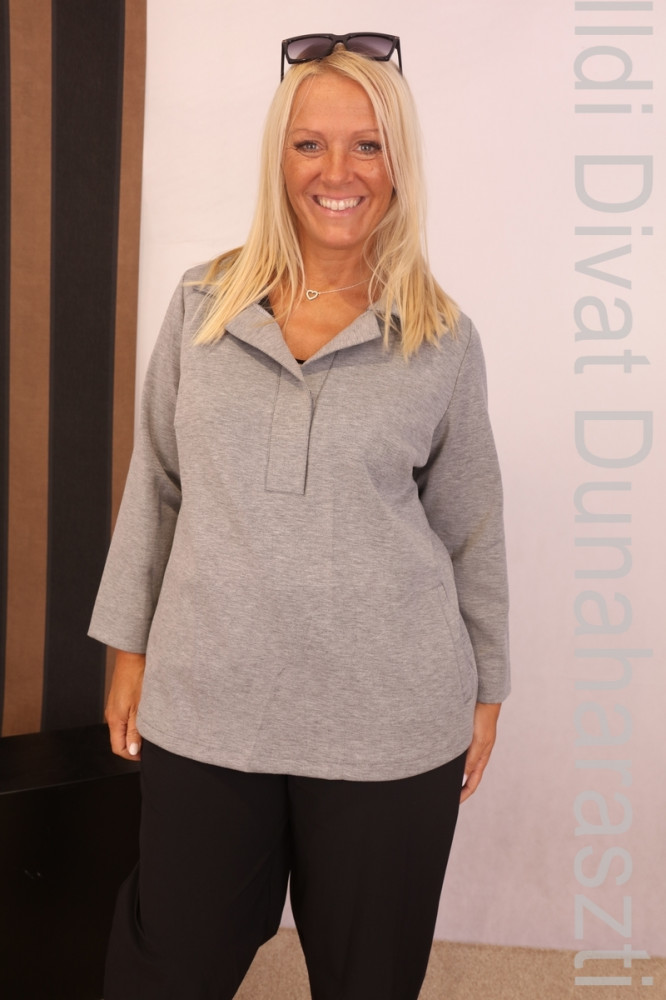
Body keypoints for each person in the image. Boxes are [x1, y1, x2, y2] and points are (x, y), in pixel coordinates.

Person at [90, 33, 510, 1000]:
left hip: (390, 720)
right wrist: (128, 648)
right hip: (210, 702)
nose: (337, 173)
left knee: (369, 978)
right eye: (310, 144)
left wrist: (488, 686)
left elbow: (471, 525)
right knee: (167, 967)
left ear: (398, 163)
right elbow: (156, 482)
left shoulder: (442, 338)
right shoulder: (204, 304)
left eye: (367, 145)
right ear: (279, 159)